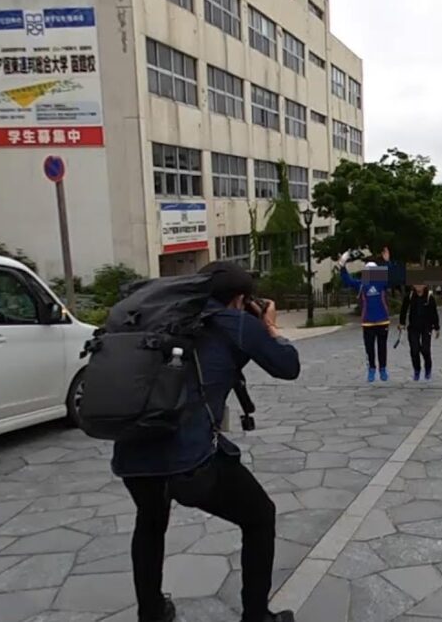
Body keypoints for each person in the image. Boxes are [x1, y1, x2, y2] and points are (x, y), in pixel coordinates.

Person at [111, 261, 300, 622]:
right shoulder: (237, 323)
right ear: (240, 299)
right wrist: (270, 325)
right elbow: (287, 366)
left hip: (133, 449)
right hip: (190, 462)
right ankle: (257, 616)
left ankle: (151, 612)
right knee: (260, 516)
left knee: (150, 521)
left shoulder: (161, 317)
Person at [340, 247, 393, 382]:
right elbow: (347, 280)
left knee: (382, 347)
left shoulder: (381, 282)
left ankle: (382, 369)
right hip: (368, 321)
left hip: (382, 320)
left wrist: (386, 262)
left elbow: (391, 275)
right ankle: (372, 369)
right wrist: (342, 265)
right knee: (369, 348)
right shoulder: (362, 285)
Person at [398, 284, 441, 381]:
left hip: (426, 327)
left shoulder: (429, 297)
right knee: (414, 349)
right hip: (413, 327)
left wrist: (437, 328)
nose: (418, 286)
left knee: (425, 349)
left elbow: (434, 313)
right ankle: (417, 369)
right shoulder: (409, 296)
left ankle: (428, 369)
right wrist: (402, 323)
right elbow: (403, 310)